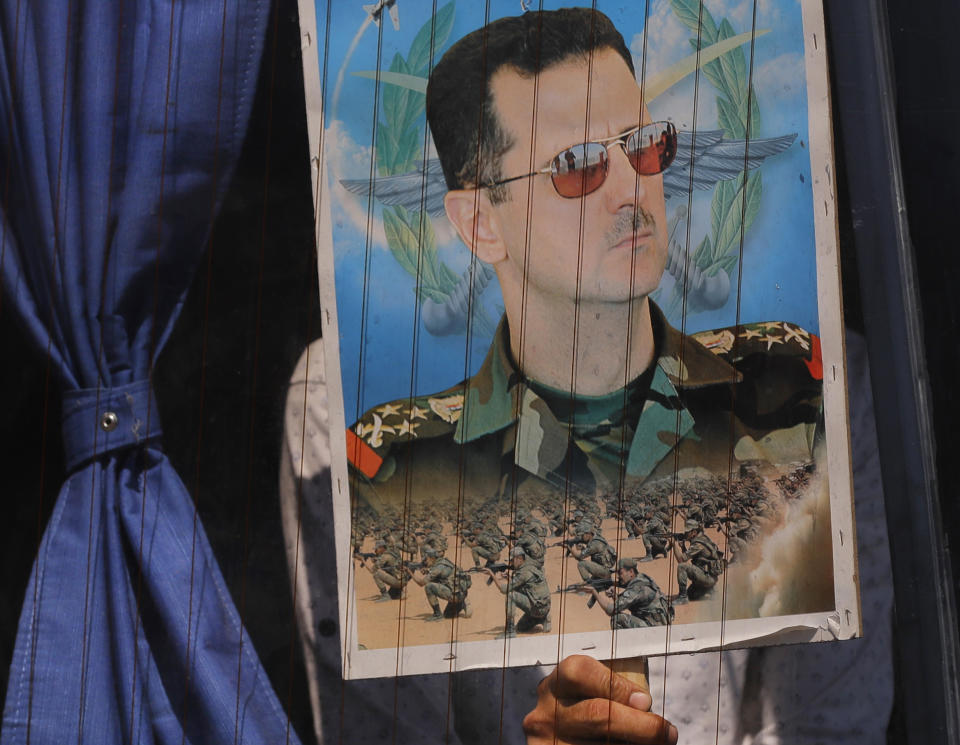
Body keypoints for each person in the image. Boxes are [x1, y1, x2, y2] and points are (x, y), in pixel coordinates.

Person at [277, 9, 891, 745]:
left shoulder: (797, 385)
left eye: (644, 145)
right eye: (575, 166)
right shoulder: (358, 431)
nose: (631, 189)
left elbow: (831, 722)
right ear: (479, 224)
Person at [586, 557, 672, 629]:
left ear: (631, 572)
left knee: (617, 619)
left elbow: (611, 610)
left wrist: (594, 592)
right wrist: (614, 596)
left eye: (620, 573)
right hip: (661, 625)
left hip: (655, 630)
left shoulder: (636, 587)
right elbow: (625, 604)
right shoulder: (643, 579)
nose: (618, 577)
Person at [486, 546, 553, 638]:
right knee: (521, 628)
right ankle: (543, 618)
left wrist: (492, 574)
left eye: (512, 560)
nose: (511, 563)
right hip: (544, 606)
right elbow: (523, 588)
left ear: (520, 559)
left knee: (510, 595)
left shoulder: (523, 572)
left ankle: (510, 631)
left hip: (537, 608)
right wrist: (508, 578)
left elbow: (504, 590)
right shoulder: (530, 567)